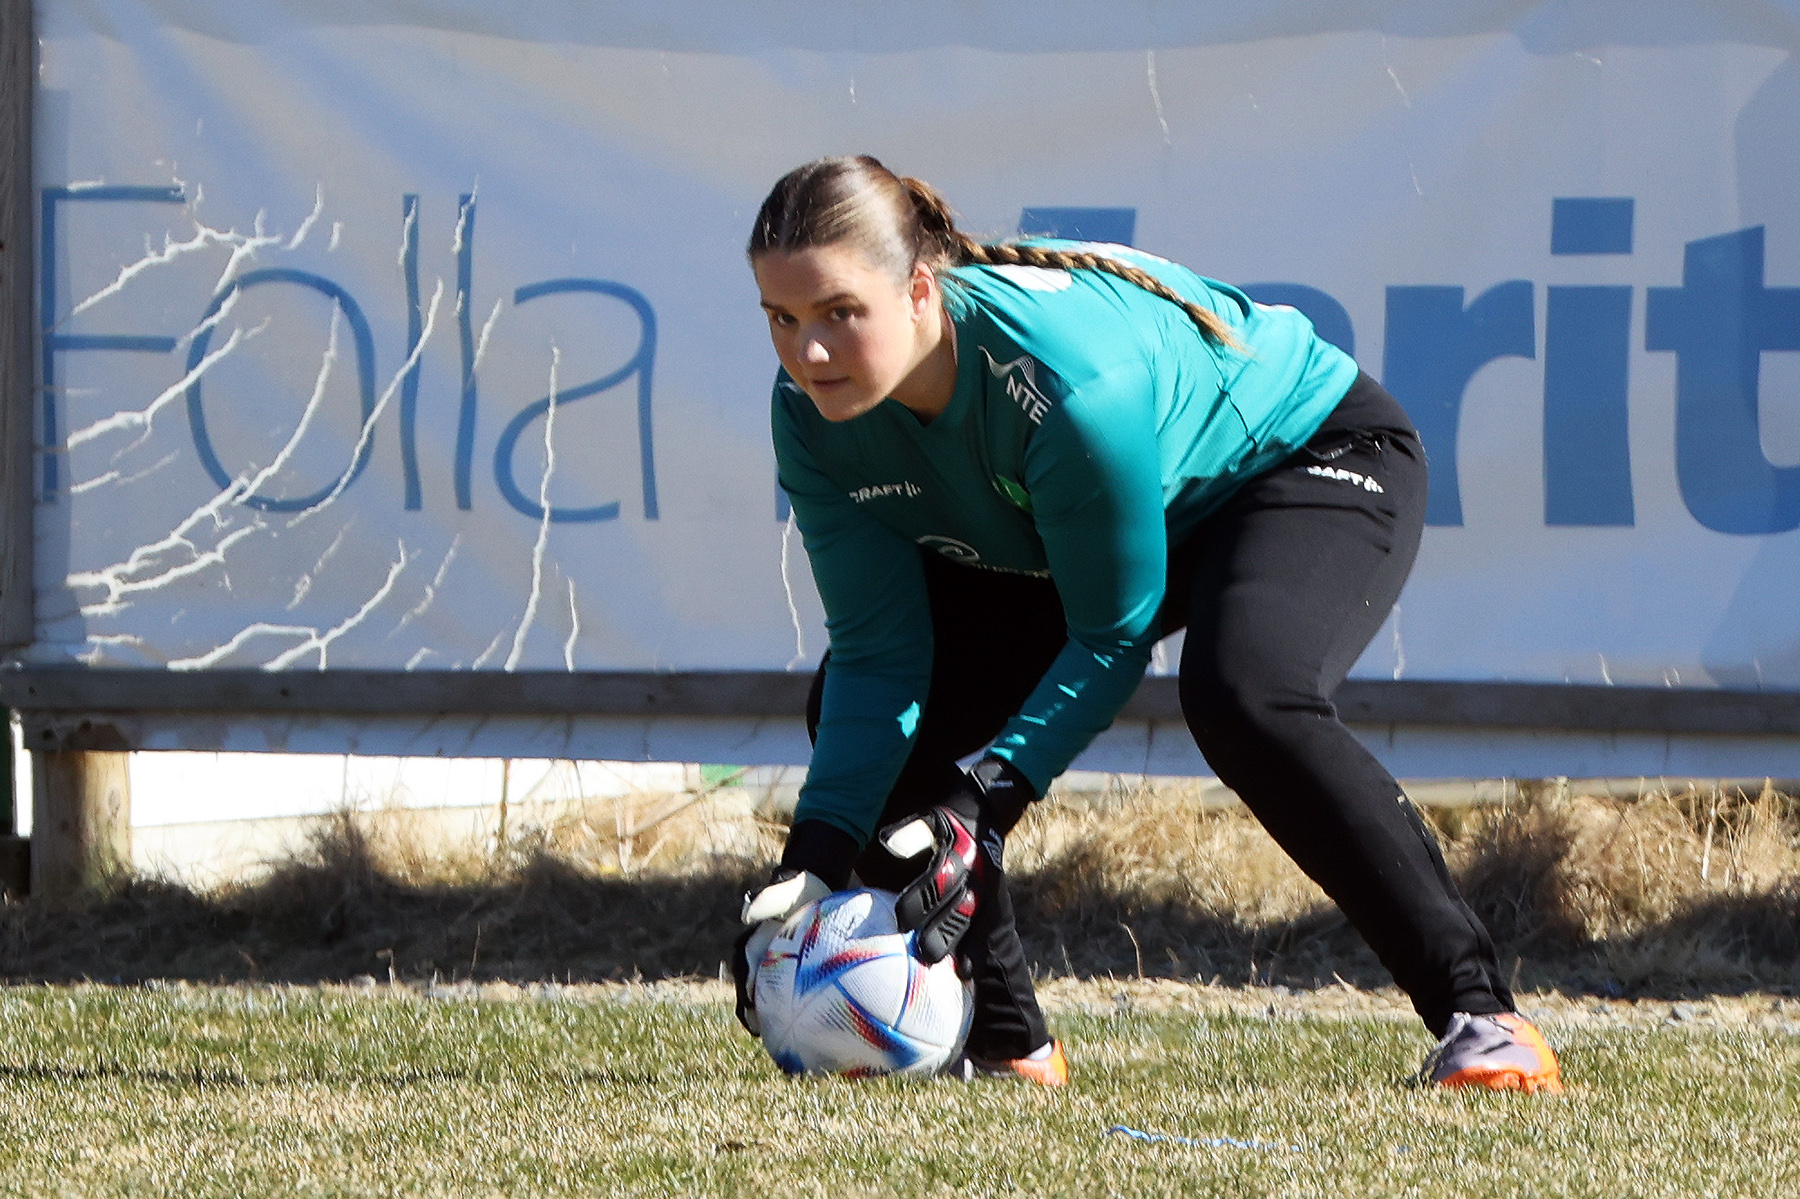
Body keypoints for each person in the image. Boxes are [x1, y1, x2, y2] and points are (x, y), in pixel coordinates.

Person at [730, 154, 1563, 1093]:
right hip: (1101, 519)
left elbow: (1111, 632)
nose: (809, 354)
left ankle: (1485, 1018)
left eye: (841, 312)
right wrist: (813, 860)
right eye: (782, 319)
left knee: (1245, 693)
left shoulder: (1066, 379)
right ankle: (1006, 1045)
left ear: (921, 289)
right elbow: (884, 660)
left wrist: (988, 799)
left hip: (1300, 462)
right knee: (877, 716)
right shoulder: (809, 417)